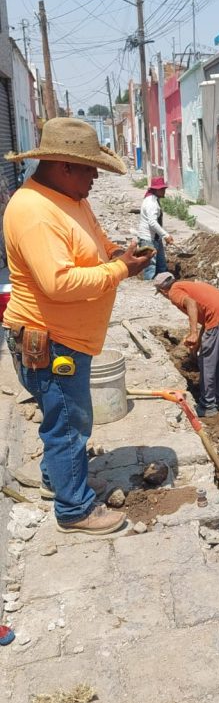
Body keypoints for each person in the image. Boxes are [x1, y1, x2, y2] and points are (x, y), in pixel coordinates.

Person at [2, 117, 152, 535]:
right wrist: (120, 270)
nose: (95, 178)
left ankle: (58, 481)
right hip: (51, 342)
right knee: (69, 424)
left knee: (64, 418)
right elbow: (58, 282)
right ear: (64, 165)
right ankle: (74, 510)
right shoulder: (34, 211)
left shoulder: (70, 198)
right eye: (90, 169)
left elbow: (97, 241)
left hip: (68, 340)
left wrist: (118, 254)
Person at [154, 272, 219, 417]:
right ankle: (217, 397)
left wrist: (193, 333)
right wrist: (198, 343)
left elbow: (191, 303)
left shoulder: (174, 291)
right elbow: (206, 319)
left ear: (163, 291)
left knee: (207, 363)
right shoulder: (189, 286)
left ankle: (208, 406)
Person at [137, 176, 174, 280]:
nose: (163, 191)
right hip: (148, 239)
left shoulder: (153, 199)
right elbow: (152, 222)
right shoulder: (151, 203)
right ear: (155, 190)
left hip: (155, 238)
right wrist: (165, 235)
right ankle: (149, 285)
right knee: (150, 266)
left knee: (161, 265)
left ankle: (163, 282)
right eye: (161, 189)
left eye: (164, 189)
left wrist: (162, 236)